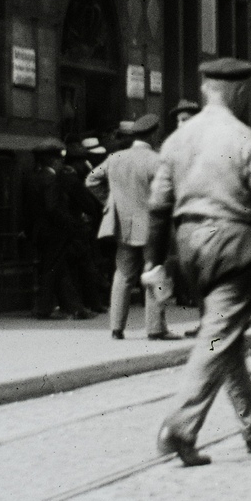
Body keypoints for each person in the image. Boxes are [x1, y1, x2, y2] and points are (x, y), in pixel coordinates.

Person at [150, 58, 251, 467]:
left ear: (204, 89)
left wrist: (154, 263)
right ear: (241, 91)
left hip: (189, 248)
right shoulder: (245, 138)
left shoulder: (177, 140)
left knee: (223, 331)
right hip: (233, 247)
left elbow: (157, 208)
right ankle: (180, 426)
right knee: (216, 337)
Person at [86, 114, 180, 341]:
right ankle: (156, 328)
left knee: (123, 275)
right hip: (152, 227)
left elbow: (91, 180)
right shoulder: (157, 161)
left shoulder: (115, 158)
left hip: (124, 225)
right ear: (154, 134)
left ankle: (116, 328)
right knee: (154, 273)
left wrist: (110, 202)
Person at [24, 139, 99, 320]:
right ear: (53, 160)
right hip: (55, 232)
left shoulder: (34, 177)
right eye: (59, 159)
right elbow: (52, 208)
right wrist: (71, 224)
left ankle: (75, 308)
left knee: (59, 269)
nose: (61, 163)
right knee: (52, 269)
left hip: (40, 232)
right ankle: (44, 309)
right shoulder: (51, 179)